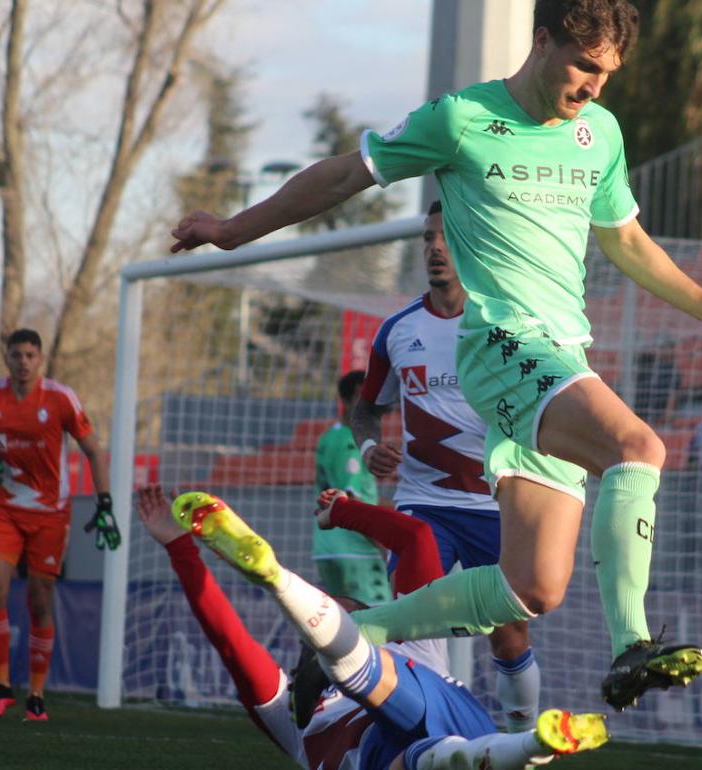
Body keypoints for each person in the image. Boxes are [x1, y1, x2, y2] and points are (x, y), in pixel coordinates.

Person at [171, 0, 702, 710]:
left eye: (608, 74)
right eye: (585, 65)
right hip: (502, 345)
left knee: (532, 588)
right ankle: (632, 645)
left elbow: (625, 240)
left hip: (563, 358)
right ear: (542, 40)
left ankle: (351, 635)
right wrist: (231, 229)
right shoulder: (461, 119)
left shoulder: (600, 133)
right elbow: (343, 176)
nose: (594, 86)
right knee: (636, 447)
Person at [138, 484, 608, 769]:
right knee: (426, 749)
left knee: (402, 728)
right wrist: (341, 512)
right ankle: (528, 747)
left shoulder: (292, 716)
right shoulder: (296, 706)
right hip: (457, 729)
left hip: (423, 732)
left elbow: (417, 536)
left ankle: (281, 583)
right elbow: (229, 639)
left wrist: (342, 511)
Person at [351, 200, 539, 731]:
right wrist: (370, 451)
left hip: (493, 505)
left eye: (447, 237)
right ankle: (427, 740)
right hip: (422, 505)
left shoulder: (504, 325)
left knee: (508, 635)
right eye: (428, 237)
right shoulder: (397, 330)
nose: (435, 247)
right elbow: (365, 409)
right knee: (415, 629)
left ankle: (523, 741)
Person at [0, 328, 120, 721]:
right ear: (7, 358)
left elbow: (94, 451)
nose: (24, 362)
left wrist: (105, 505)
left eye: (31, 355)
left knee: (40, 599)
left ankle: (37, 695)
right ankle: (0, 686)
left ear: (40, 359)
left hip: (51, 512)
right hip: (5, 508)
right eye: (17, 355)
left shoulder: (61, 398)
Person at [313, 370, 391, 606]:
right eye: (361, 396)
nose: (369, 403)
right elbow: (352, 503)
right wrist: (385, 543)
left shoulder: (330, 437)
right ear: (346, 402)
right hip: (356, 551)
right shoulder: (351, 443)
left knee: (344, 627)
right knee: (375, 626)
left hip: (327, 547)